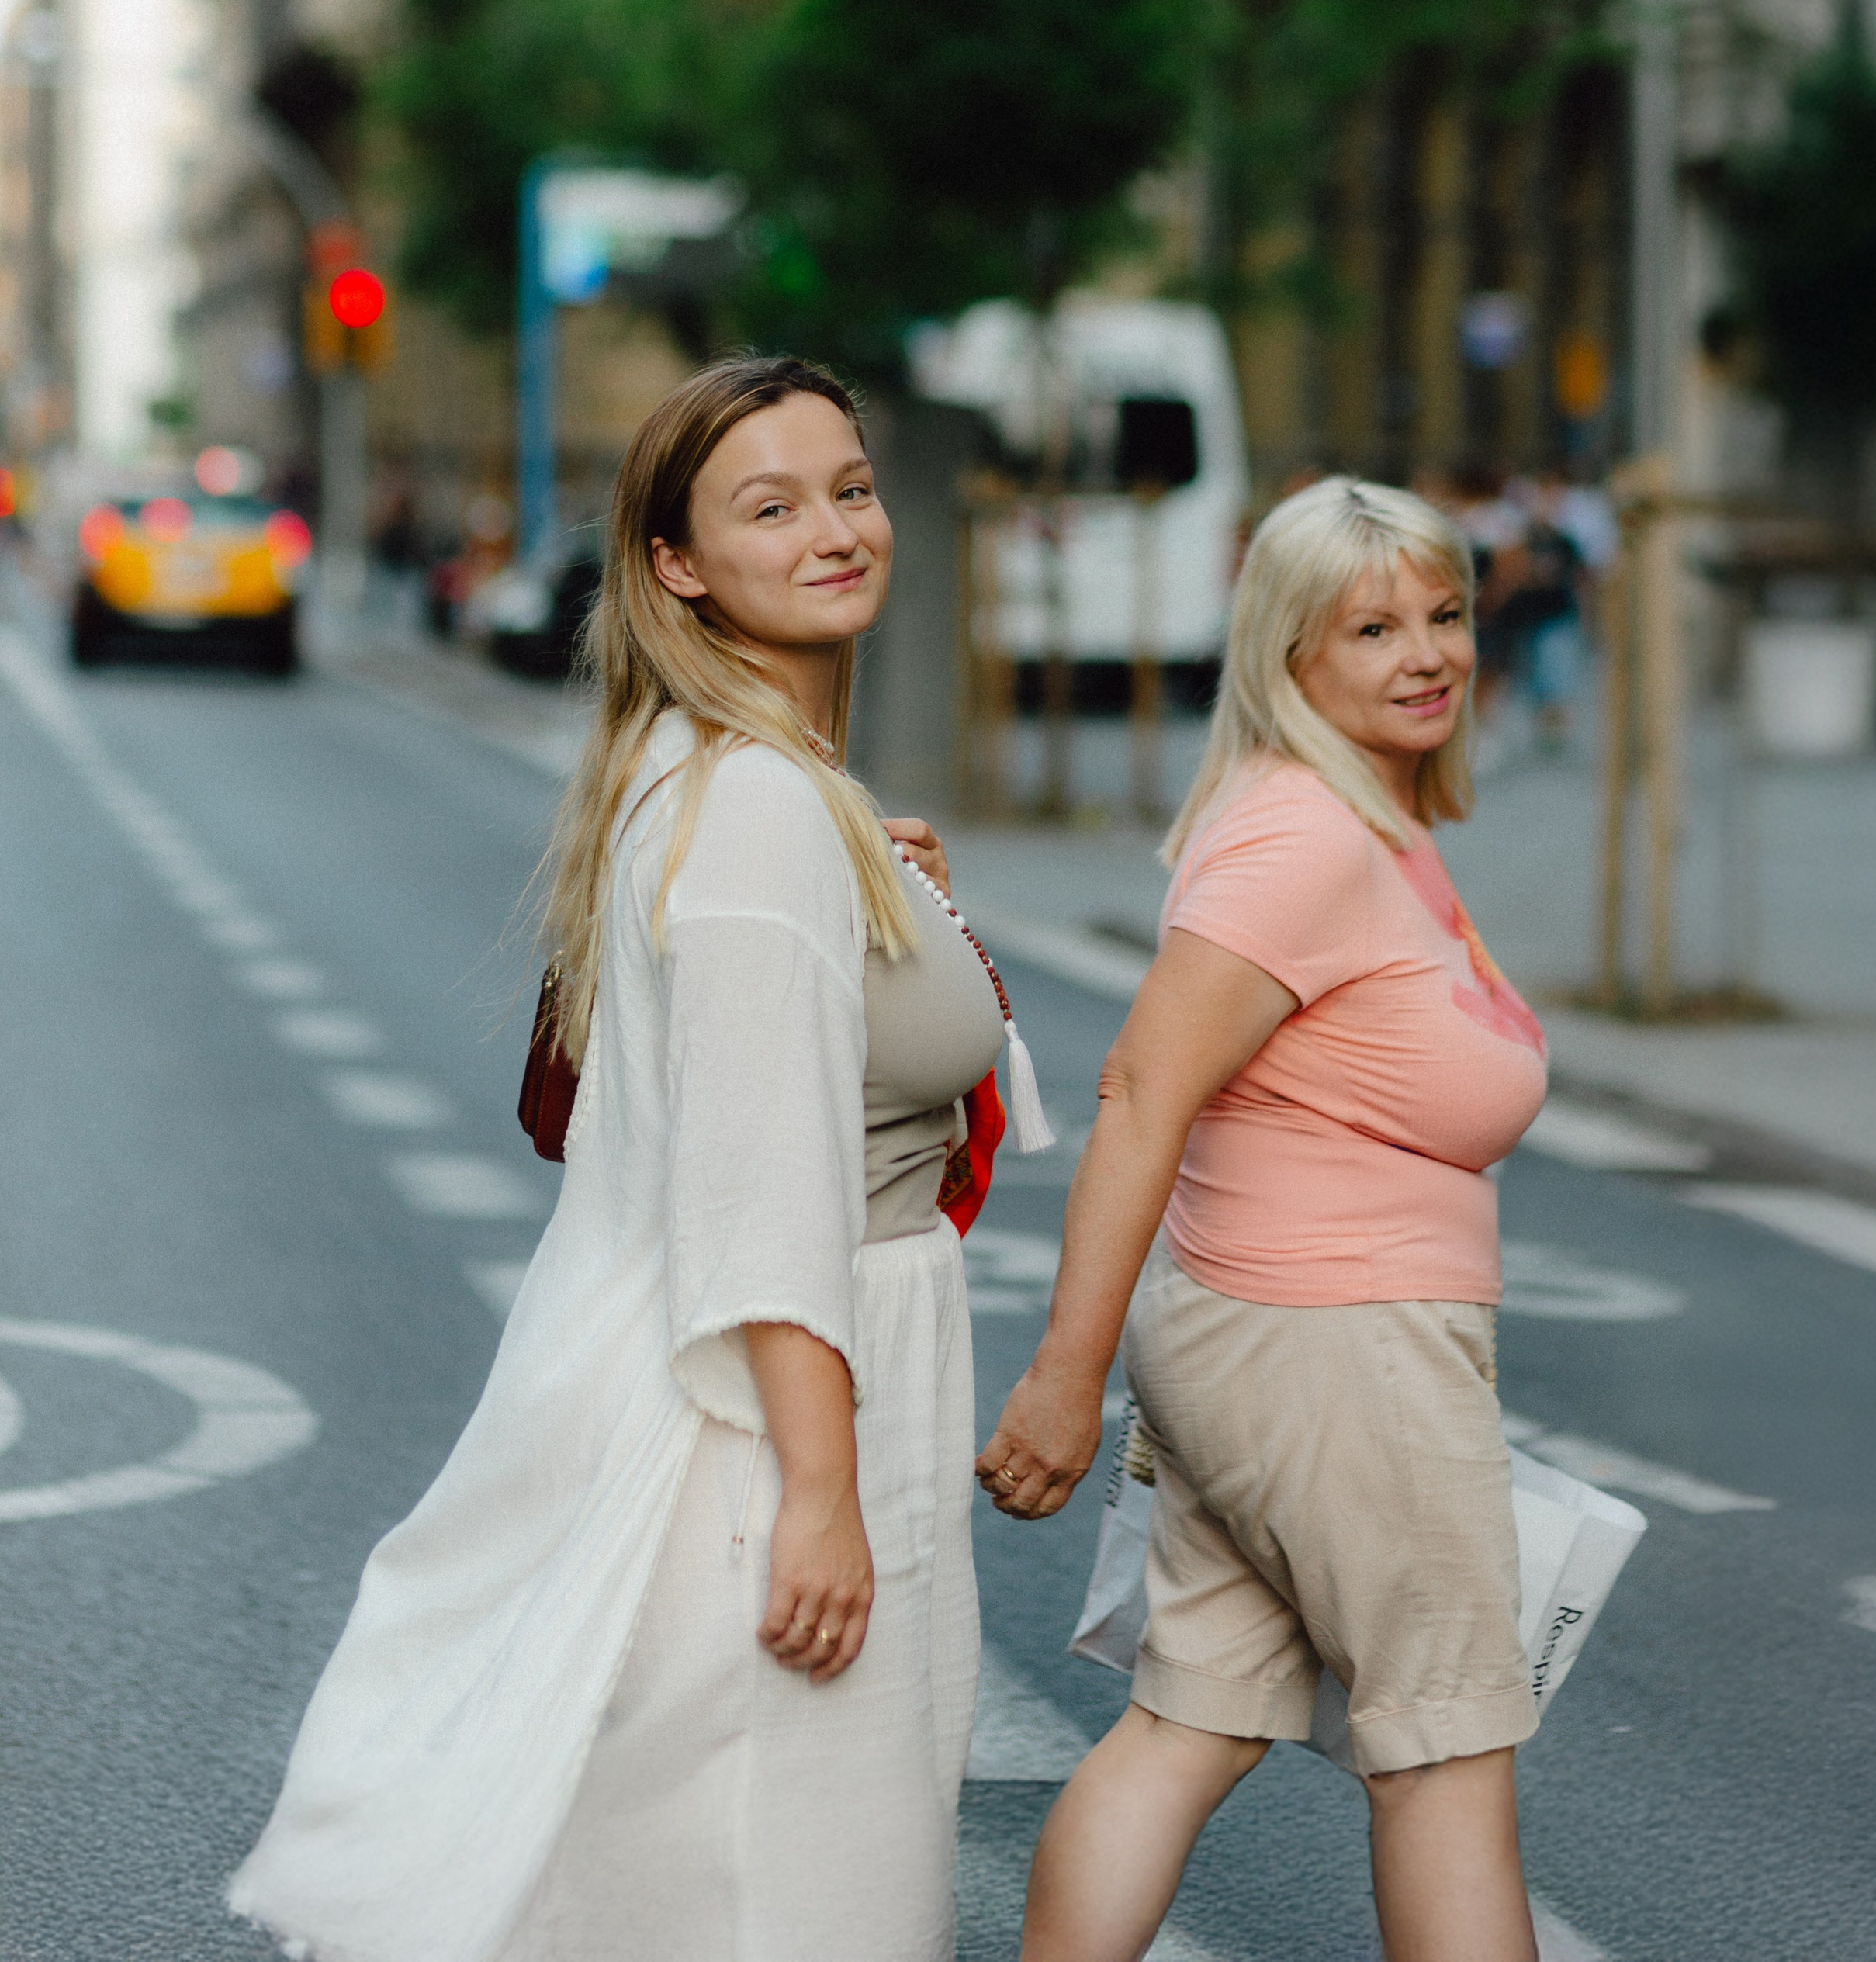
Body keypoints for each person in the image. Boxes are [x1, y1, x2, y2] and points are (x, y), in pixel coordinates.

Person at [230, 353, 1044, 1962]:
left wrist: (882, 892)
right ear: (674, 561)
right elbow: (760, 1179)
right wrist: (820, 1489)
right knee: (797, 1874)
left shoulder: (755, 784)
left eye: (851, 486)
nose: (835, 526)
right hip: (790, 1394)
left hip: (819, 1357)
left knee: (690, 1851)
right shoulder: (751, 806)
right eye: (771, 502)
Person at [977, 474, 1550, 1962]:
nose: (1425, 652)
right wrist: (1062, 1375)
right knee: (1445, 1752)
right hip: (1334, 1349)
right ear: (1290, 654)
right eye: (1372, 626)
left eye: (1443, 614)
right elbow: (1142, 1090)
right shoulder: (1304, 839)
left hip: (1272, 1342)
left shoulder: (1365, 816)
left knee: (1192, 1721)